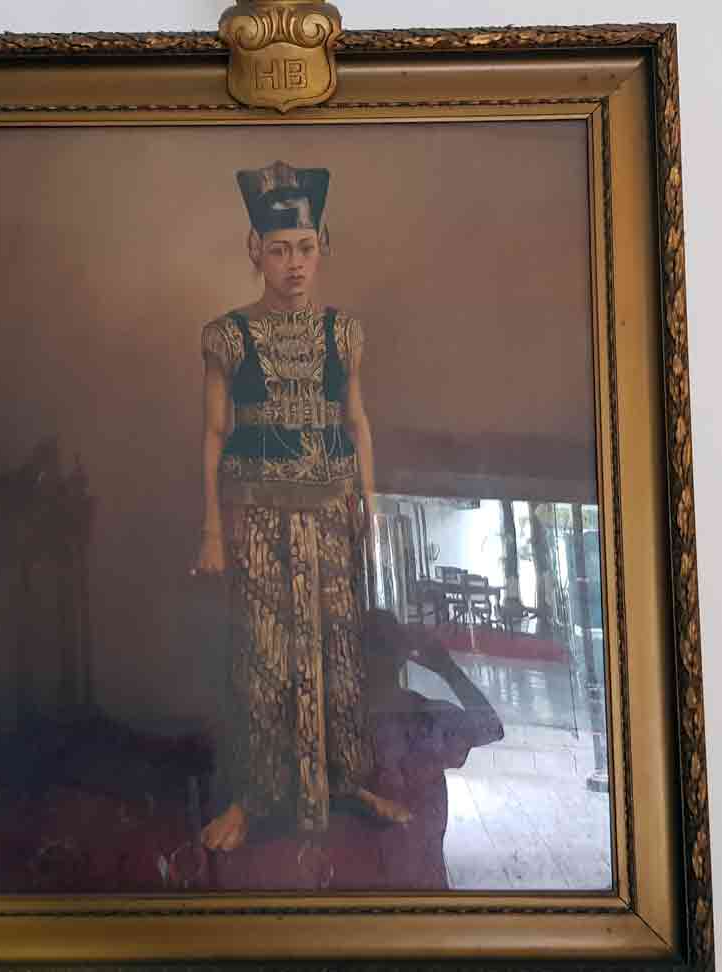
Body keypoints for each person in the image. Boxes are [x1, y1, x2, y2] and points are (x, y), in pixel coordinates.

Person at [191, 160, 411, 852]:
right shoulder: (227, 335)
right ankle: (252, 798)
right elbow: (214, 434)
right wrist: (211, 531)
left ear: (323, 247)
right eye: (280, 248)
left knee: (339, 650)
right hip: (256, 516)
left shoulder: (345, 332)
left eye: (306, 248)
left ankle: (347, 782)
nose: (294, 263)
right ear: (255, 249)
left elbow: (357, 421)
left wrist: (369, 502)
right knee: (262, 654)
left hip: (333, 514)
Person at [330, 609, 506, 889]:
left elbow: (492, 729)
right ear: (402, 656)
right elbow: (490, 728)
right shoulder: (425, 719)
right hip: (416, 888)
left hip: (362, 891)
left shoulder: (338, 722)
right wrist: (447, 669)